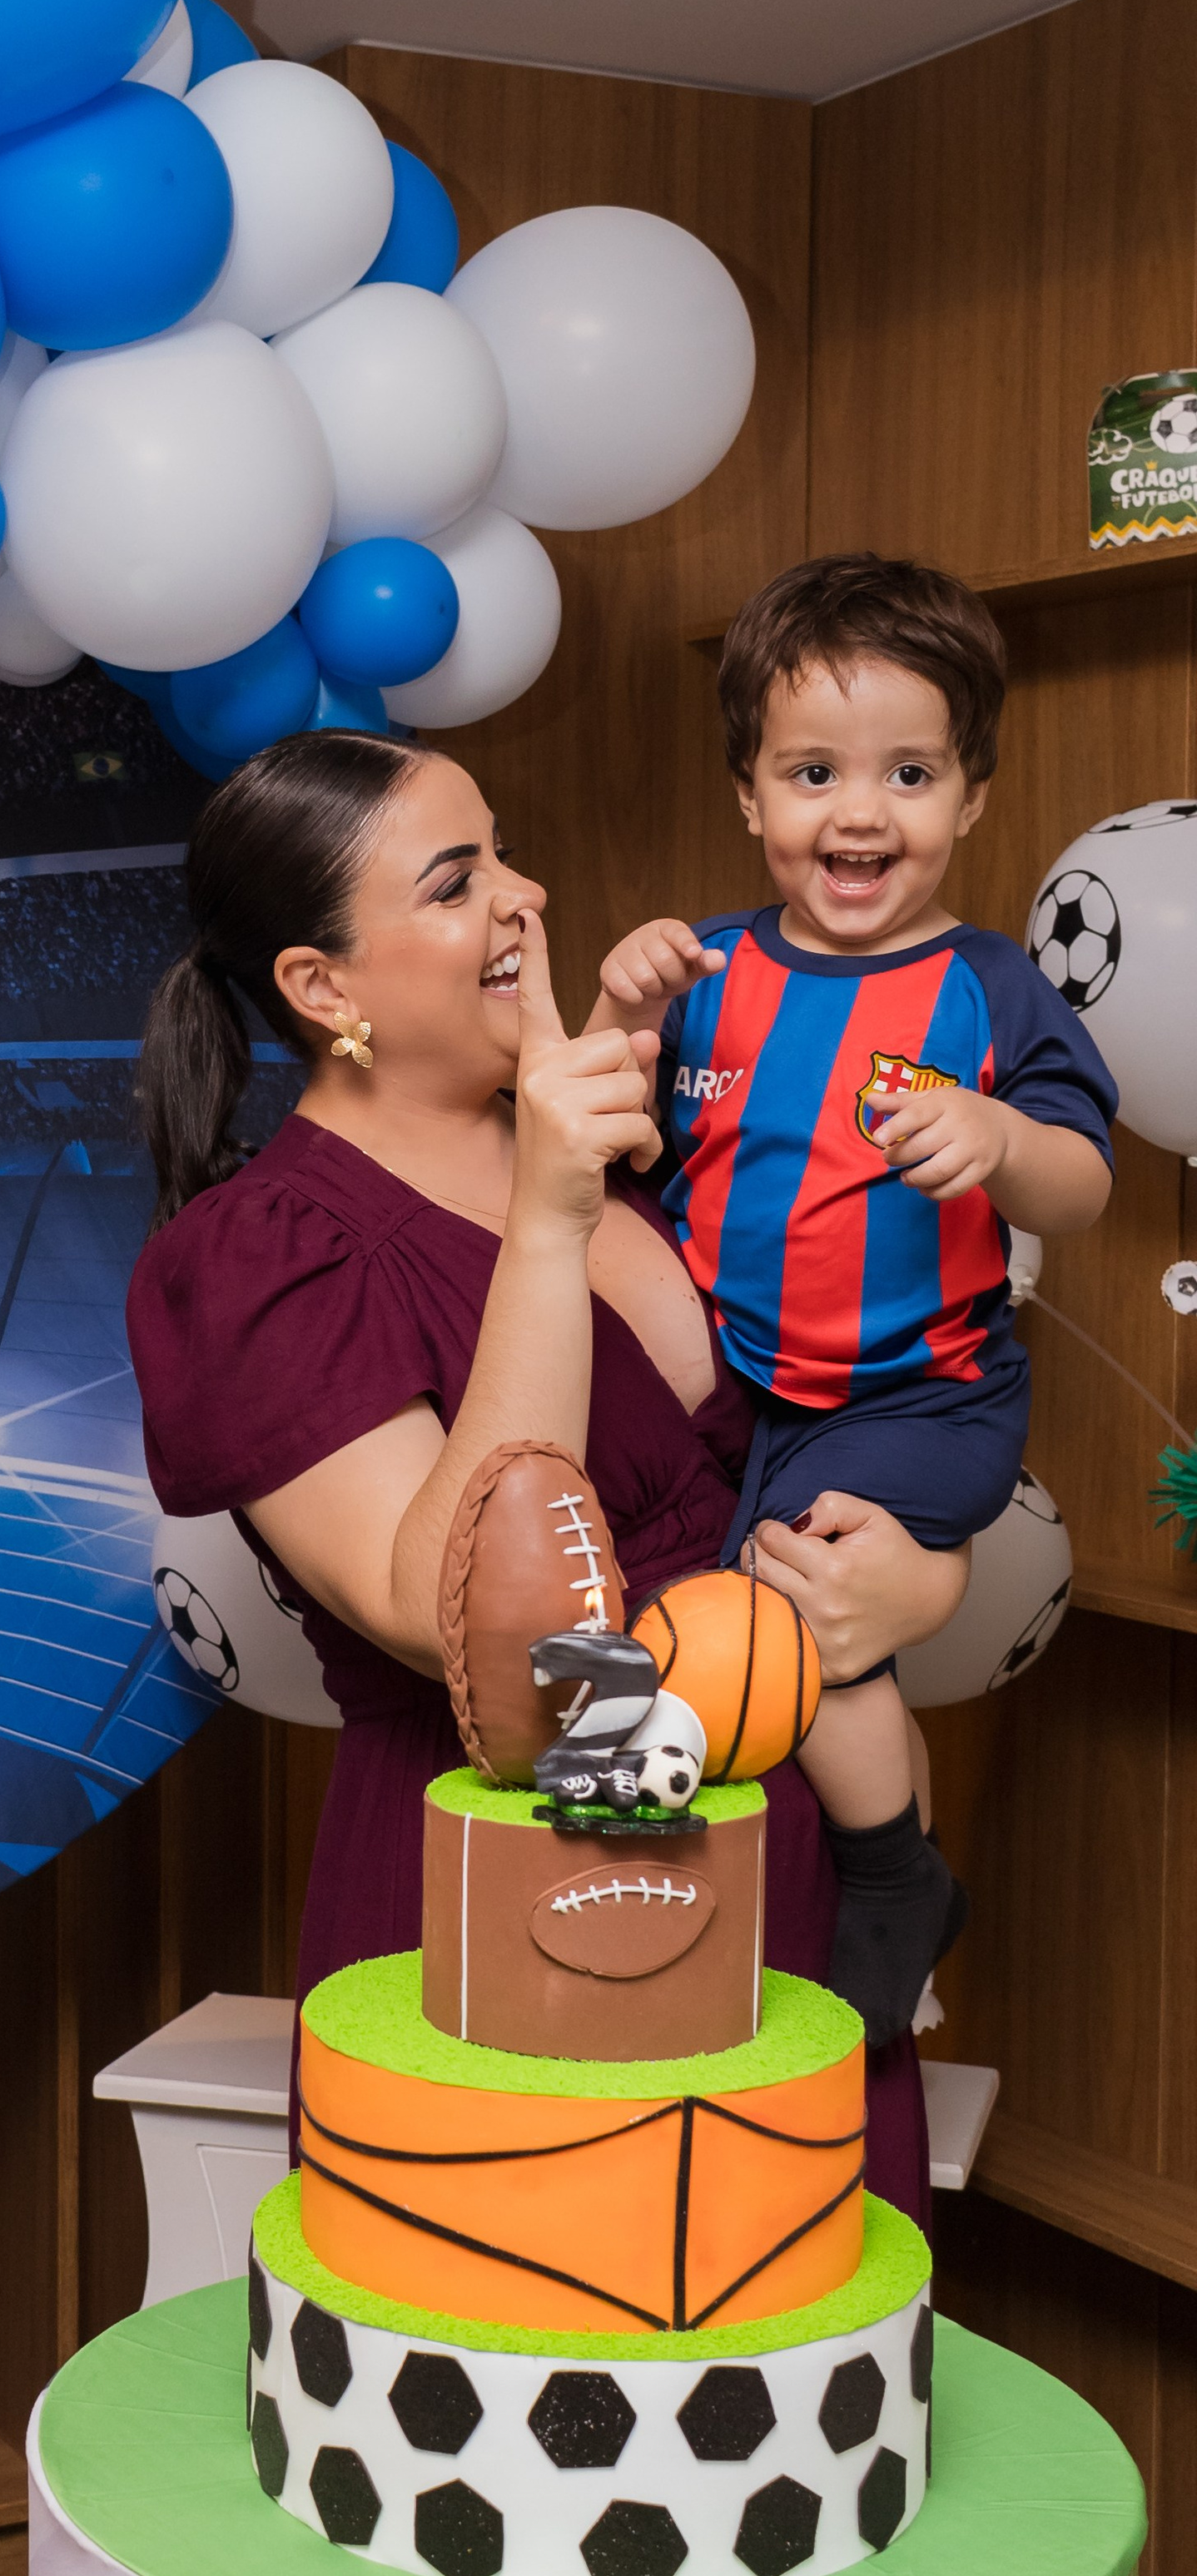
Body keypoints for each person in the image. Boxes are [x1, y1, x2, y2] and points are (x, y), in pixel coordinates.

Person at [127, 731, 972, 2225]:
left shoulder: (637, 1145)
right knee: (550, 2392)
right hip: (516, 1896)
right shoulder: (259, 1257)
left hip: (789, 1877)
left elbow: (846, 1426)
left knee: (796, 2399)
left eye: (505, 851)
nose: (527, 897)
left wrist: (919, 1579)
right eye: (459, 883)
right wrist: (543, 1225)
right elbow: (461, 1623)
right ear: (325, 991)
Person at [586, 556, 1115, 2040]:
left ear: (972, 799)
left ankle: (893, 1879)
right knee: (696, 1610)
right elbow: (593, 1145)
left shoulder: (994, 986)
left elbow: (1085, 1182)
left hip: (922, 1395)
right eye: (813, 772)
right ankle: (664, 1902)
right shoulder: (709, 970)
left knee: (807, 1599)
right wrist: (621, 1009)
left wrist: (1007, 1143)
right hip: (750, 1389)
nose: (861, 813)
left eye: (909, 772)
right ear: (751, 797)